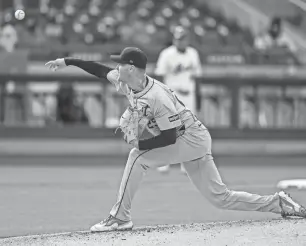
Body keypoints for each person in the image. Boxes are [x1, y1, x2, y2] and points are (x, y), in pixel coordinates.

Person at [45, 47, 306, 233]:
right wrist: (66, 61)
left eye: (121, 64)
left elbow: (169, 136)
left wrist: (140, 144)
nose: (116, 67)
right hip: (192, 138)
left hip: (190, 137)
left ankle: (119, 218)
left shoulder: (157, 96)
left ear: (132, 68)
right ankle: (278, 203)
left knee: (137, 158)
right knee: (220, 197)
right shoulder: (127, 82)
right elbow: (99, 70)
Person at [154, 25, 202, 173]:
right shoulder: (166, 54)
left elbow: (197, 76)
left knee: (188, 130)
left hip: (189, 95)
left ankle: (185, 164)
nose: (180, 41)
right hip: (172, 95)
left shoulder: (193, 53)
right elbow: (160, 76)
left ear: (187, 39)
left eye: (182, 38)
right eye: (177, 39)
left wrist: (198, 96)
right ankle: (165, 162)